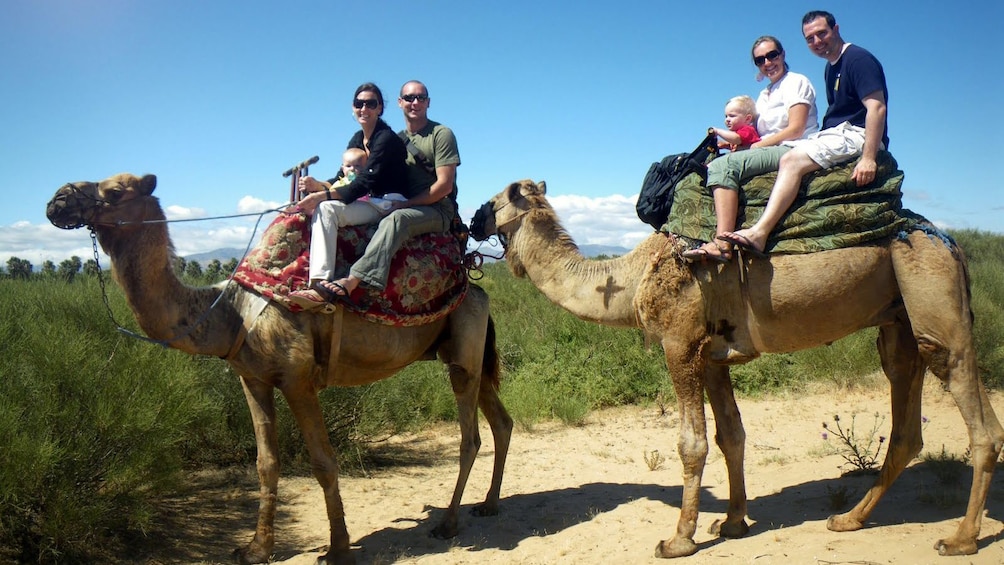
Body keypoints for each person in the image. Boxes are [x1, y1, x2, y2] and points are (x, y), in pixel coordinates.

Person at [717, 10, 889, 256]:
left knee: (791, 159)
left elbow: (876, 107)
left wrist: (869, 157)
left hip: (856, 133)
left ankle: (759, 233)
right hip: (836, 132)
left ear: (836, 29)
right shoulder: (831, 68)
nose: (817, 41)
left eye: (822, 33)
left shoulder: (857, 59)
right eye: (810, 38)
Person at [683, 35, 819, 262]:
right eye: (760, 60)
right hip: (767, 148)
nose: (767, 63)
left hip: (793, 147)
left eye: (772, 55)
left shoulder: (796, 82)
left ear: (783, 54)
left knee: (721, 166)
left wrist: (755, 147)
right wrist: (735, 144)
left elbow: (796, 129)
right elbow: (755, 133)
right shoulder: (764, 95)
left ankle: (722, 243)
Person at [323, 79, 461, 299]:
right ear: (400, 102)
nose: (414, 102)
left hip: (436, 208)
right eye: (409, 98)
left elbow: (443, 186)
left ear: (428, 102)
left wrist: (406, 204)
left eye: (420, 98)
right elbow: (359, 174)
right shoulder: (396, 140)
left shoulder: (441, 134)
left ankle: (353, 280)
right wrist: (321, 189)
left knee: (396, 220)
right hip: (397, 203)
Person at [288, 82, 410, 309]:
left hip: (386, 201)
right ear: (353, 108)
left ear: (380, 108)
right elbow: (342, 178)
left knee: (325, 208)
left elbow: (364, 183)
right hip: (368, 200)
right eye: (359, 103)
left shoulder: (386, 139)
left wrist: (321, 197)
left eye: (370, 104)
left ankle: (319, 284)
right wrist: (317, 185)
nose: (364, 108)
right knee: (316, 206)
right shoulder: (357, 139)